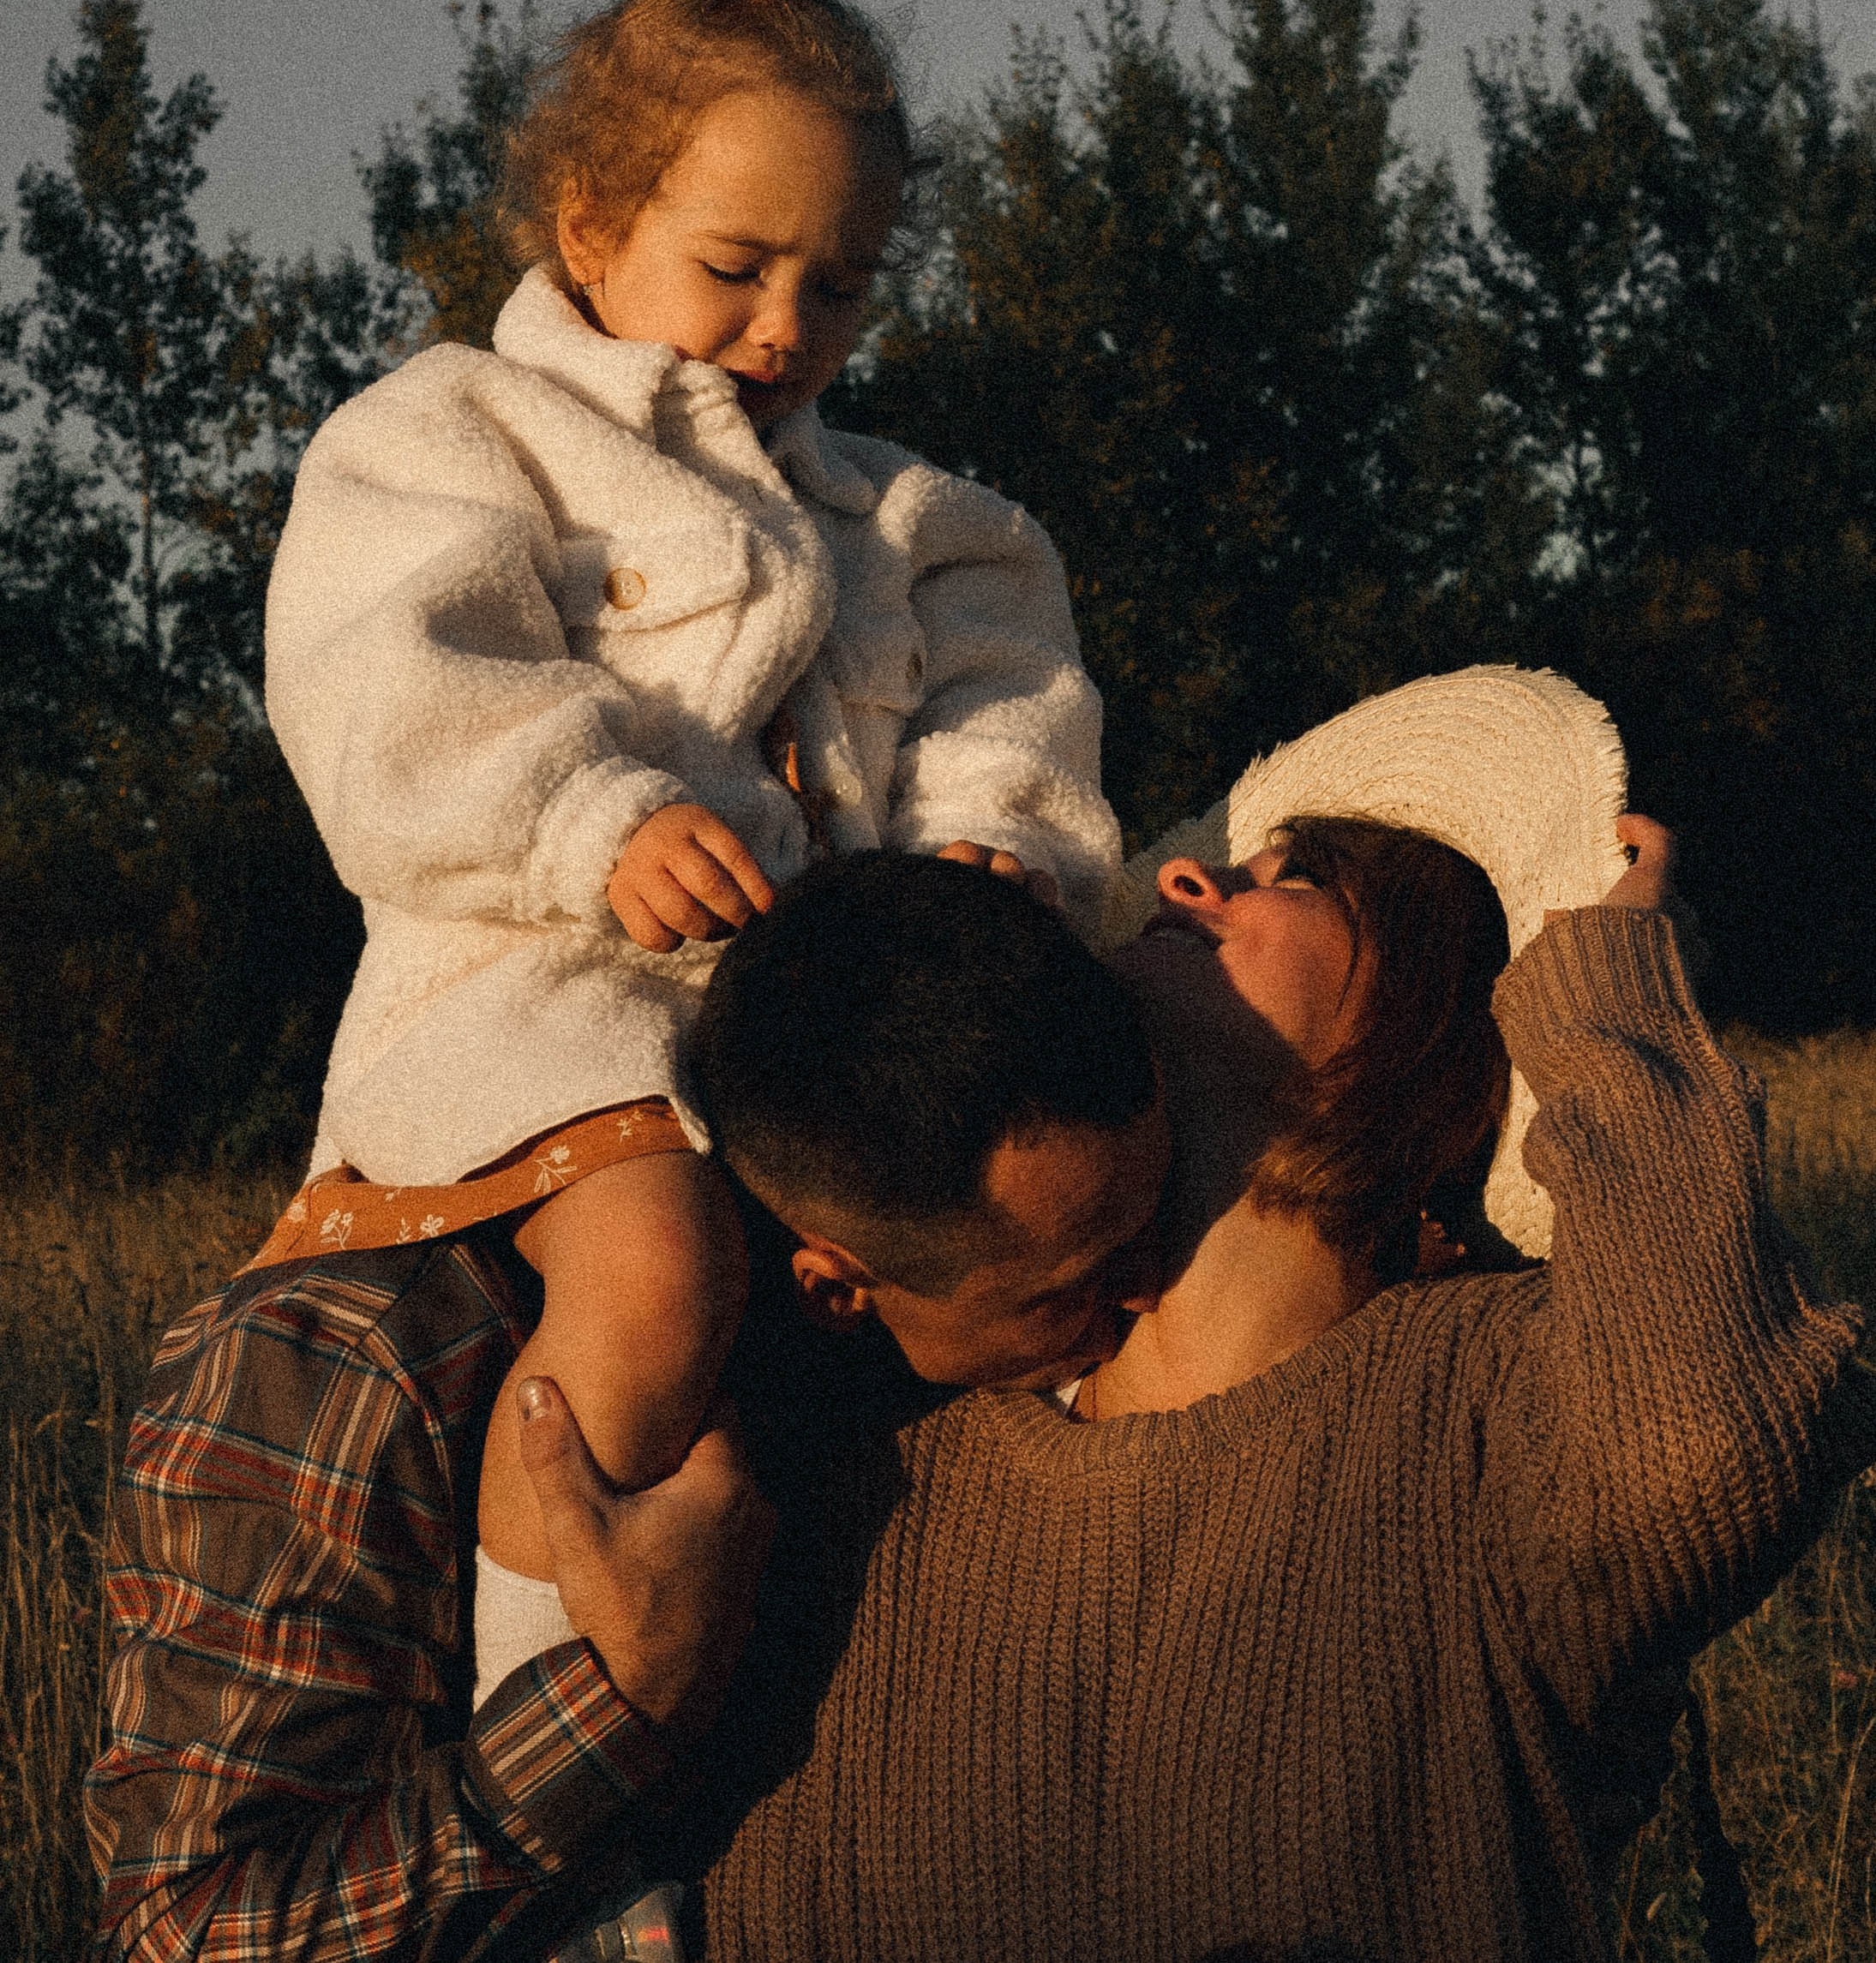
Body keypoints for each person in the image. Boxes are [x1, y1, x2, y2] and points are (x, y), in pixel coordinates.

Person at [257, 0, 1121, 1705]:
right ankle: (553, 1730)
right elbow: (386, 682)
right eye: (736, 265)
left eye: (843, 283)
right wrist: (589, 810)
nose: (786, 325)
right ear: (591, 226)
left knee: (1030, 1244)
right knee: (654, 1271)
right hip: (538, 999)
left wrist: (994, 848)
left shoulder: (901, 520)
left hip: (823, 1047)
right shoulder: (456, 434)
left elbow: (1009, 691)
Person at [666, 685, 1876, 1960]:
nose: (1184, 878)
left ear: (1436, 1008)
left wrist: (1614, 998)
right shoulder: (891, 1451)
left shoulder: (1488, 1409)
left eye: (1291, 879)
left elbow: (1711, 1444)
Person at [87, 858, 1166, 1961]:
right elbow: (186, 1937)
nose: (1148, 1286)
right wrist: (629, 1691)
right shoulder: (351, 1364)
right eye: (1075, 1279)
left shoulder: (879, 1341)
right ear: (833, 1284)